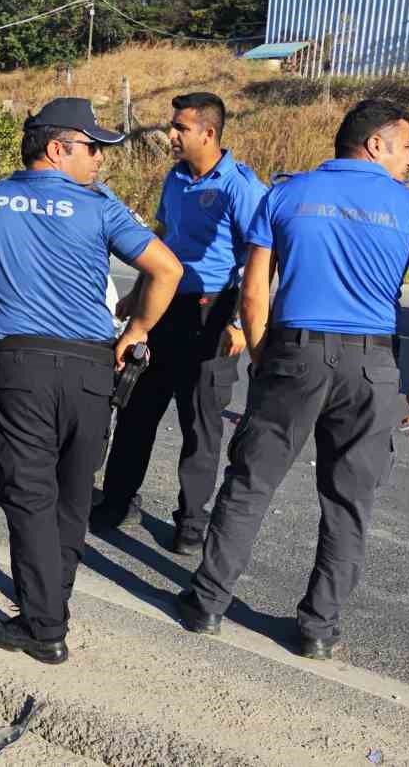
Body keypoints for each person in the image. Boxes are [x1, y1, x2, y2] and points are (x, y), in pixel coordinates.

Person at [176, 99, 409, 660]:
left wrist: (262, 357)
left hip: (294, 354)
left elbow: (254, 293)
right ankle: (318, 629)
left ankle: (207, 603)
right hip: (372, 366)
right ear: (377, 145)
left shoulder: (285, 193)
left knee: (250, 482)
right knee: (349, 500)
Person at [0, 97, 184, 665]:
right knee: (72, 492)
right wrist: (136, 332)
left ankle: (44, 625)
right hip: (93, 367)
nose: (98, 160)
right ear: (57, 148)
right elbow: (167, 270)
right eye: (92, 148)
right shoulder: (101, 208)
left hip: (20, 366)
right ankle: (52, 602)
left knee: (30, 494)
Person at [92, 93, 266, 554]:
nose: (170, 134)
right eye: (173, 126)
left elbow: (262, 259)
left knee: (200, 424)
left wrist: (238, 324)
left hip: (212, 312)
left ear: (208, 133)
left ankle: (191, 521)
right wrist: (138, 292)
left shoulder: (241, 186)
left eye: (180, 128)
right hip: (164, 308)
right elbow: (164, 237)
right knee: (136, 409)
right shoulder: (175, 178)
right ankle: (117, 501)